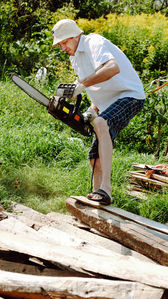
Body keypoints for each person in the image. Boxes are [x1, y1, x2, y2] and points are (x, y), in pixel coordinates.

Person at [52, 19, 145, 205]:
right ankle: (97, 197)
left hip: (130, 95)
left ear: (76, 36)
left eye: (65, 42)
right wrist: (90, 110)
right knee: (94, 157)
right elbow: (95, 89)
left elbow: (112, 68)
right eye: (60, 44)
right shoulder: (74, 58)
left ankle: (106, 189)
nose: (63, 47)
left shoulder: (94, 42)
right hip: (105, 106)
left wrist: (81, 85)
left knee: (101, 122)